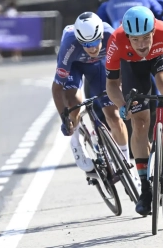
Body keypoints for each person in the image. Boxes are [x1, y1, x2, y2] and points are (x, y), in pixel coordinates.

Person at [105, 6, 163, 216]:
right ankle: (145, 190)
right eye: (135, 39)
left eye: (146, 38)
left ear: (153, 32)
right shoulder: (116, 40)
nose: (141, 45)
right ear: (127, 35)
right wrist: (122, 106)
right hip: (132, 67)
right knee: (139, 123)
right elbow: (111, 85)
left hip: (161, 58)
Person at [52, 12, 131, 177]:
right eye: (86, 44)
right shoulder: (70, 43)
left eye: (96, 41)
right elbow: (57, 88)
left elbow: (125, 66)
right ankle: (76, 142)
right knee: (73, 102)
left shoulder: (111, 35)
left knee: (114, 116)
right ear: (80, 40)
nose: (93, 48)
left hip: (98, 66)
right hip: (74, 65)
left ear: (101, 35)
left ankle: (125, 160)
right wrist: (64, 118)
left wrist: (120, 89)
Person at [97, 0, 163, 34]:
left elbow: (160, 13)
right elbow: (100, 23)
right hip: (119, 39)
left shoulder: (151, 1)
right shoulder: (106, 6)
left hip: (146, 36)